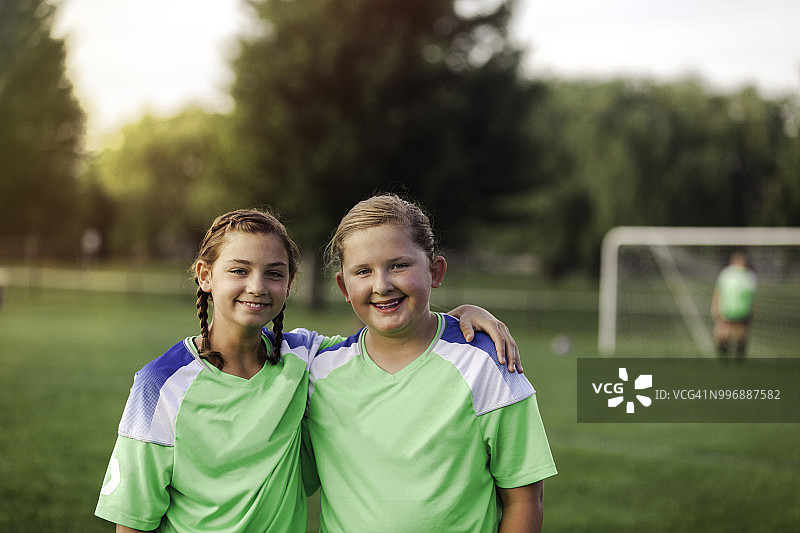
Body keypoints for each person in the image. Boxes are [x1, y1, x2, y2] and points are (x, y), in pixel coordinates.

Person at [94, 208, 523, 532]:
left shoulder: (305, 358)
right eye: (239, 271)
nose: (256, 286)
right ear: (205, 276)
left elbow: (394, 332)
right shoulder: (159, 386)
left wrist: (460, 315)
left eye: (273, 273)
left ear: (290, 282)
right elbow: (132, 520)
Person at [305, 194, 557, 532]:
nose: (382, 285)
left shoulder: (486, 362)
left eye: (399, 265)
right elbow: (243, 345)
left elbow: (524, 499)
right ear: (343, 286)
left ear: (435, 271)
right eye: (363, 271)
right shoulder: (317, 367)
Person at [711, 251, 757, 361]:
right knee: (723, 332)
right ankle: (723, 355)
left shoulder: (749, 276)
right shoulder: (726, 274)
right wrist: (715, 306)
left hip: (742, 309)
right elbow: (718, 292)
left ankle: (739, 356)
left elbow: (753, 296)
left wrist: (754, 310)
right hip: (727, 308)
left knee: (740, 333)